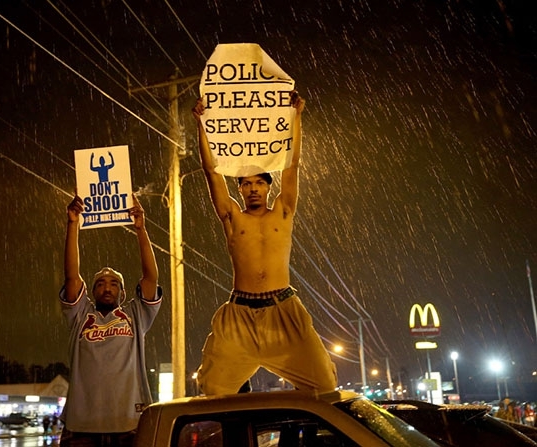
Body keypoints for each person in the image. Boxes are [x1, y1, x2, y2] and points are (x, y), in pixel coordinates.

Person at [191, 91, 337, 396]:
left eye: (259, 182)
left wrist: (296, 118)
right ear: (241, 189)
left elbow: (292, 165)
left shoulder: (283, 211)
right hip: (240, 314)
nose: (253, 189)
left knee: (324, 384)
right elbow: (210, 170)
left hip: (282, 309)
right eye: (247, 184)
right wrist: (201, 123)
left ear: (268, 187)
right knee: (213, 390)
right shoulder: (232, 216)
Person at [59, 192, 162, 447]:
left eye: (114, 284)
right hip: (81, 426)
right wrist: (73, 224)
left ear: (123, 293)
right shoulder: (81, 315)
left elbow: (151, 279)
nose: (107, 288)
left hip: (129, 424)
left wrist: (141, 230)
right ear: (90, 292)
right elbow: (71, 277)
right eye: (101, 284)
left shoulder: (134, 315)